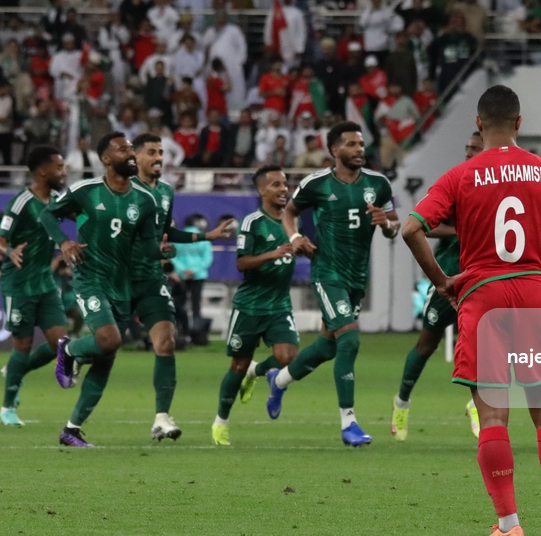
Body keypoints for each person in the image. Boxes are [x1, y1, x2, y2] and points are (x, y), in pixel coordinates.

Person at [402, 85, 541, 536]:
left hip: (483, 298)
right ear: (519, 123)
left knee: (493, 417)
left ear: (478, 124)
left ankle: (509, 526)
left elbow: (412, 228)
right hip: (534, 295)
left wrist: (442, 281)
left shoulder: (460, 175)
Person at [40, 132, 171, 448]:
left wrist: (162, 250)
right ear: (106, 159)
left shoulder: (146, 200)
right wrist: (64, 242)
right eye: (123, 149)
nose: (130, 153)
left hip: (122, 285)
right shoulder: (86, 191)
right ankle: (69, 350)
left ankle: (72, 429)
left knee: (106, 355)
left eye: (131, 149)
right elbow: (47, 214)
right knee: (110, 339)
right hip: (91, 278)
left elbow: (147, 246)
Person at [273, 121, 400, 446]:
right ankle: (349, 422)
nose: (359, 149)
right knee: (350, 340)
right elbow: (289, 213)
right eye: (352, 144)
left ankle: (280, 380)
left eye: (361, 144)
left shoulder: (378, 184)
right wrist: (296, 237)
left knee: (328, 345)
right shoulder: (317, 184)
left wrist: (386, 225)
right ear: (335, 150)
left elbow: (394, 225)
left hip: (357, 276)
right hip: (328, 272)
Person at [130, 133, 234, 441]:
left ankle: (161, 418)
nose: (159, 157)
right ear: (136, 157)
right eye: (152, 152)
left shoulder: (165, 191)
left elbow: (165, 232)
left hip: (151, 278)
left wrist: (206, 236)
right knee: (105, 344)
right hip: (119, 277)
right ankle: (71, 351)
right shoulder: (124, 189)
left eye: (161, 152)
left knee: (166, 342)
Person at [391, 131, 483, 442]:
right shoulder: (455, 185)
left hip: (481, 281)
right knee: (426, 345)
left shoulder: (496, 188)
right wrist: (459, 230)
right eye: (467, 147)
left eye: (475, 148)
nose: (468, 152)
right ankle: (402, 402)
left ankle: (477, 405)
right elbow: (423, 226)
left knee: (484, 347)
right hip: (449, 279)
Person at [212, 165, 300, 445]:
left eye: (285, 184)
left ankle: (257, 371)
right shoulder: (252, 222)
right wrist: (271, 254)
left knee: (289, 357)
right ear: (262, 190)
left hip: (279, 305)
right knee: (237, 366)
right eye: (276, 185)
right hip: (250, 306)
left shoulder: (291, 222)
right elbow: (241, 263)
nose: (283, 189)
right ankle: (221, 422)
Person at [0, 146, 69, 426]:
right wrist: (9, 250)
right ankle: (7, 408)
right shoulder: (21, 202)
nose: (64, 172)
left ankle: (17, 370)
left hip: (46, 282)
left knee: (60, 343)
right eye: (59, 167)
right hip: (19, 284)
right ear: (42, 171)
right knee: (22, 345)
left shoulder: (58, 200)